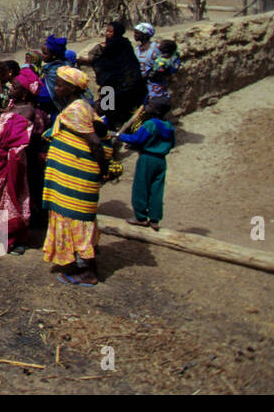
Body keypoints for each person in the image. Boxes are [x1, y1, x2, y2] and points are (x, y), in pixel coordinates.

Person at [41, 67, 111, 285]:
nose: (56, 87)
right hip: (71, 176)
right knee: (73, 218)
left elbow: (96, 143)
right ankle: (79, 262)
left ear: (72, 88)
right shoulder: (77, 106)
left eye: (60, 84)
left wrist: (103, 170)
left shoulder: (76, 110)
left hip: (78, 177)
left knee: (76, 219)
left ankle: (88, 271)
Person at [0, 85, 39, 253]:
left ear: (24, 93)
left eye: (16, 87)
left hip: (12, 159)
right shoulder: (12, 105)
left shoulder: (28, 111)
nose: (11, 88)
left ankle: (15, 237)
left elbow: (8, 137)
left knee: (12, 197)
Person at [113, 98, 175, 230]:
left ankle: (140, 217)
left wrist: (118, 135)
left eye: (150, 105)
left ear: (156, 110)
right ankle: (154, 219)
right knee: (157, 189)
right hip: (161, 160)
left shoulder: (150, 124)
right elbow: (171, 144)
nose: (146, 106)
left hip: (147, 159)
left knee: (141, 187)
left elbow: (136, 139)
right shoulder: (169, 126)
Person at [78, 20, 144, 128]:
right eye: (107, 31)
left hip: (120, 84)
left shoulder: (115, 45)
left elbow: (105, 63)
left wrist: (89, 60)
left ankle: (109, 127)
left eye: (110, 32)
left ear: (117, 32)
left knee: (108, 107)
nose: (107, 33)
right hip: (125, 83)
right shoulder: (124, 42)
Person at [146, 40, 181, 105]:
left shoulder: (164, 61)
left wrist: (152, 73)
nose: (159, 45)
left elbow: (157, 72)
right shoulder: (171, 58)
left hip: (157, 84)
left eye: (161, 44)